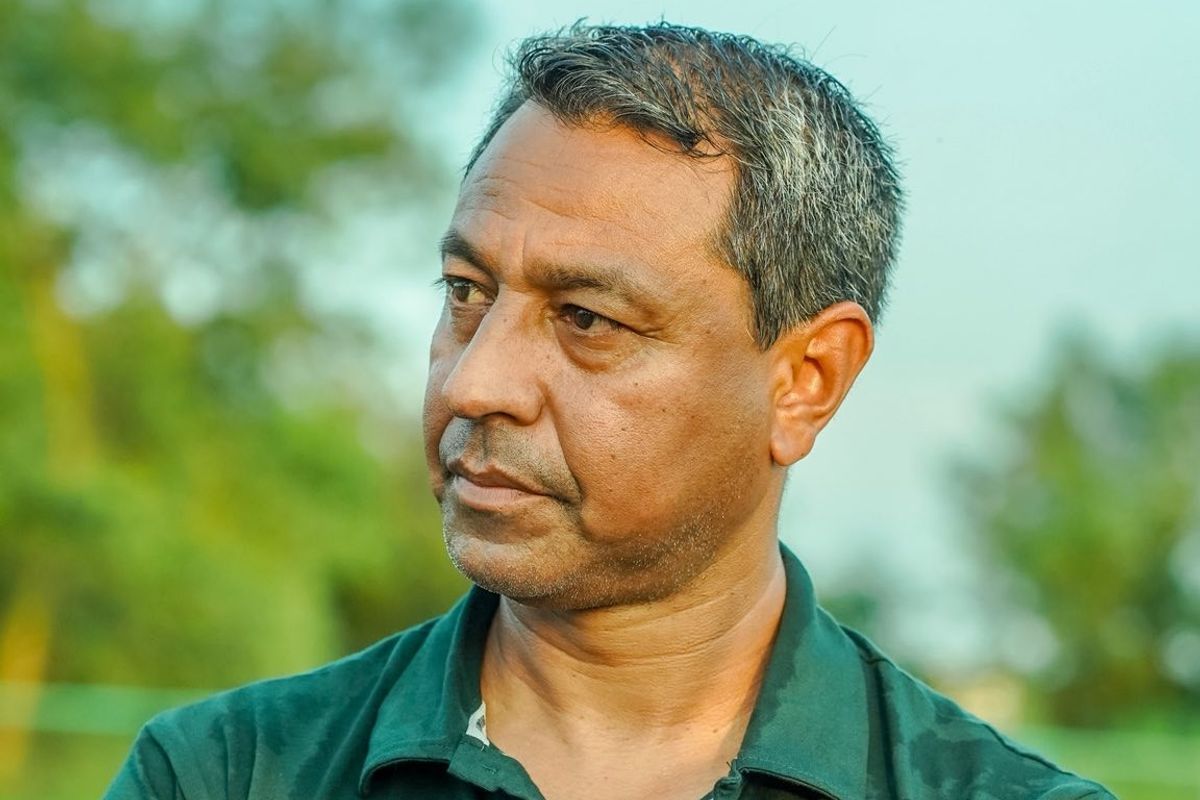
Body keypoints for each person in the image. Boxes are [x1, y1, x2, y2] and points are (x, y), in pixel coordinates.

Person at [106, 22, 1114, 800]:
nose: (473, 382)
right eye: (465, 292)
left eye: (586, 317)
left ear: (808, 377)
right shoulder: (222, 771)